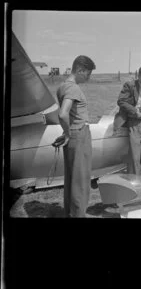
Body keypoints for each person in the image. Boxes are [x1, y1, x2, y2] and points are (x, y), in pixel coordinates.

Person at [56, 55, 96, 217]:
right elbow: (63, 114)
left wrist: (67, 132)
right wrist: (67, 132)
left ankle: (71, 213)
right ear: (80, 70)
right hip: (79, 135)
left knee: (72, 179)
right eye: (88, 73)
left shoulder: (62, 86)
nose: (89, 77)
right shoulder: (73, 88)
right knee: (81, 181)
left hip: (73, 136)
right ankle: (78, 214)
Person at [116, 65, 141, 177]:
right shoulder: (129, 85)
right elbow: (121, 101)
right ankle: (134, 179)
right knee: (135, 154)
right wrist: (135, 111)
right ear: (138, 76)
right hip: (134, 122)